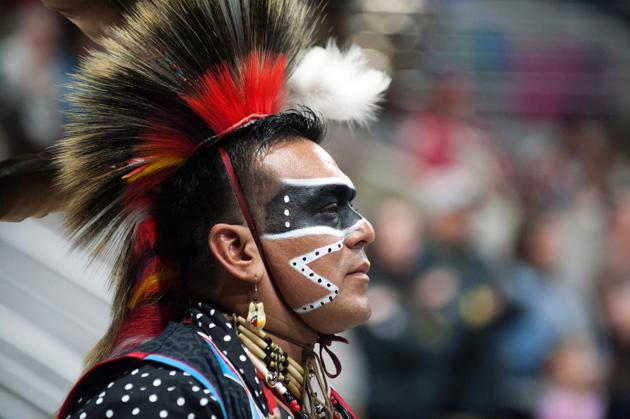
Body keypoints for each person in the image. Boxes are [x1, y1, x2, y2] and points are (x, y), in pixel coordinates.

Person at [2, 0, 390, 417]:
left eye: (350, 206)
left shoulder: (308, 400)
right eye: (327, 210)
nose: (364, 229)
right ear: (238, 252)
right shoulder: (162, 397)